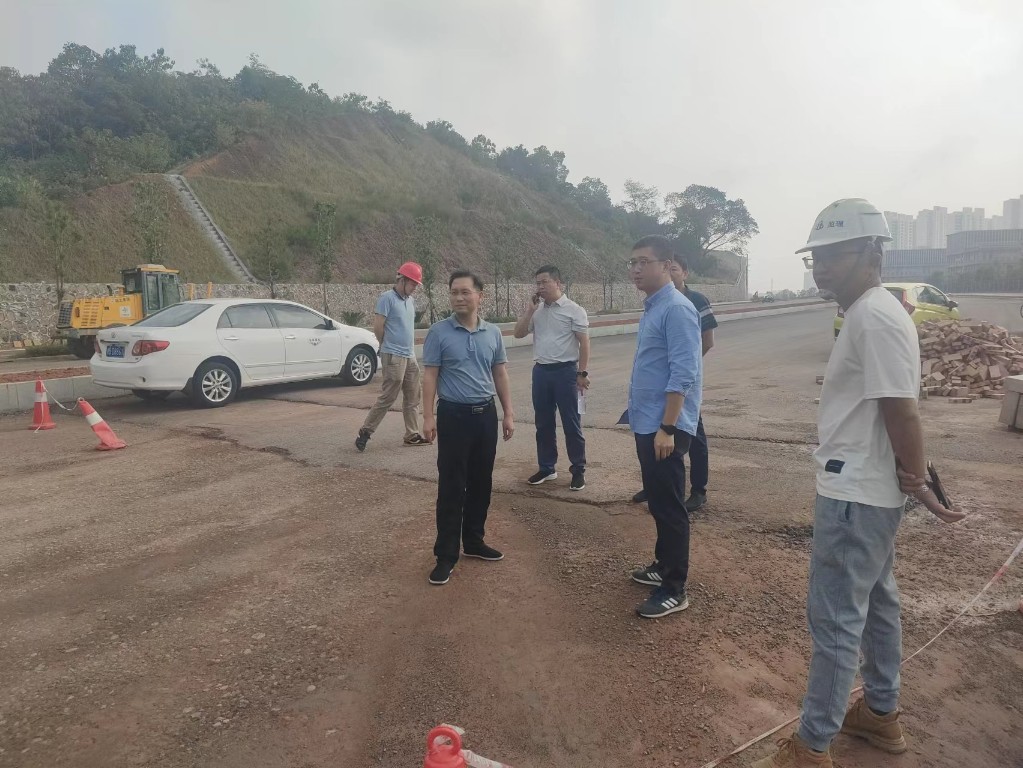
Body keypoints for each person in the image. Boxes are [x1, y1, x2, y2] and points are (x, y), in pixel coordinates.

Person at [753, 199, 965, 768]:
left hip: (854, 497)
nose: (821, 267)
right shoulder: (870, 312)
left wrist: (919, 481)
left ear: (872, 252)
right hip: (867, 491)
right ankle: (879, 711)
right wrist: (911, 481)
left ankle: (811, 745)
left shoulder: (874, 317)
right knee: (875, 603)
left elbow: (902, 409)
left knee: (836, 620)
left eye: (835, 255)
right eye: (815, 257)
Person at [421, 270, 516, 586]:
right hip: (453, 416)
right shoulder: (438, 332)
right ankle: (446, 555)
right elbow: (430, 375)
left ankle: (474, 541)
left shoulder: (493, 333)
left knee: (481, 482)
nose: (459, 298)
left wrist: (508, 413)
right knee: (451, 486)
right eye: (454, 292)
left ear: (480, 296)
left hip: (485, 416)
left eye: (465, 292)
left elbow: (500, 373)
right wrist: (427, 416)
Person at [625, 235, 703, 619]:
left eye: (644, 262)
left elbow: (683, 373)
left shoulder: (677, 309)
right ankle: (662, 565)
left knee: (670, 505)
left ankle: (674, 588)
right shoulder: (654, 306)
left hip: (665, 426)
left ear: (666, 265)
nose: (636, 269)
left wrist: (668, 428)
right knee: (658, 499)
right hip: (649, 421)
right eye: (632, 263)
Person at [633, 258, 717, 510]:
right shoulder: (655, 304)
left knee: (693, 439)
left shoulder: (689, 303)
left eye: (674, 269)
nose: (670, 273)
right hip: (668, 393)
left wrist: (684, 370)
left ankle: (698, 489)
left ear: (684, 273)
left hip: (681, 391)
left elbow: (706, 343)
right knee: (660, 465)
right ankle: (653, 487)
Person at [513, 265, 591, 491]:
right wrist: (529, 311)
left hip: (566, 372)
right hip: (541, 372)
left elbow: (584, 343)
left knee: (571, 423)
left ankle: (578, 470)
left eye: (544, 282)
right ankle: (547, 467)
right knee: (543, 423)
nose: (540, 286)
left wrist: (582, 373)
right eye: (537, 283)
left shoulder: (574, 310)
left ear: (558, 283)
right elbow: (518, 333)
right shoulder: (537, 310)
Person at [355, 261, 430, 451]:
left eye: (416, 284)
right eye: (412, 283)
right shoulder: (386, 298)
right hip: (393, 355)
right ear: (402, 280)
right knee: (388, 396)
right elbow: (378, 326)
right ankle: (366, 431)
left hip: (409, 355)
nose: (415, 288)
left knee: (413, 396)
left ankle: (411, 435)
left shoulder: (410, 301)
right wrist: (385, 346)